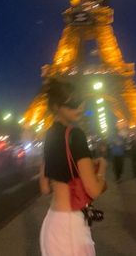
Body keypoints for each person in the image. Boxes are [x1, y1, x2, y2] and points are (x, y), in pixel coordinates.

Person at [39, 79, 107, 256]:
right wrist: (101, 170)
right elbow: (94, 190)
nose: (80, 107)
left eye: (80, 101)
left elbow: (45, 187)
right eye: (72, 104)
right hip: (71, 228)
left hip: (51, 224)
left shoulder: (49, 136)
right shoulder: (76, 135)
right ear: (56, 107)